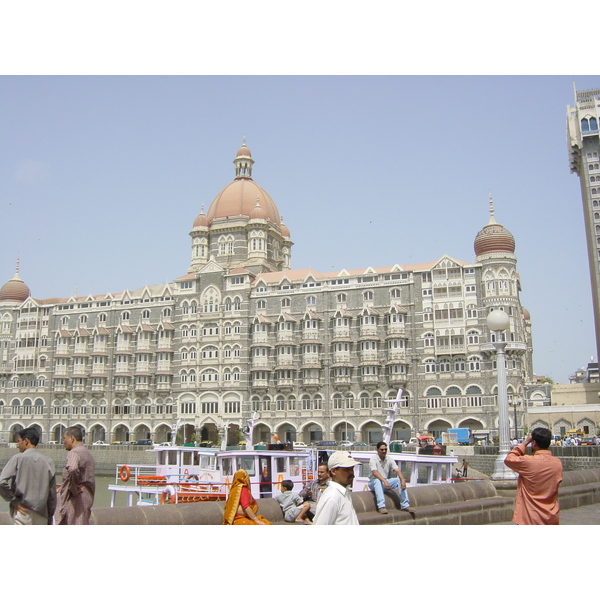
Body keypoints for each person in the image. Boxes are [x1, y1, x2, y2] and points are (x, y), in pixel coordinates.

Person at [504, 427, 563, 525]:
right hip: (550, 515)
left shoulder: (528, 462)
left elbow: (509, 459)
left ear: (534, 443)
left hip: (530, 516)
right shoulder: (557, 463)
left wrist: (525, 442)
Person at [0, 427, 56, 525]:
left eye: (18, 441)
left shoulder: (17, 459)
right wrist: (49, 515)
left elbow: (1, 482)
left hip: (23, 510)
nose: (18, 445)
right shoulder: (48, 461)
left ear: (26, 441)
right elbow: (52, 493)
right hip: (42, 513)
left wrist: (14, 501)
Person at [55, 426, 96, 525]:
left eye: (64, 438)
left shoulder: (74, 453)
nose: (63, 442)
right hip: (86, 497)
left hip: (75, 501)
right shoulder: (86, 452)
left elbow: (72, 469)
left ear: (71, 438)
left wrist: (72, 489)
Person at [313, 451, 360, 525]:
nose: (351, 472)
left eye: (352, 468)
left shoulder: (343, 494)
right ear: (333, 471)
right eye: (347, 469)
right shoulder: (332, 497)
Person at [368, 441, 412, 514]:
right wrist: (385, 481)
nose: (384, 451)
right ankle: (381, 506)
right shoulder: (373, 459)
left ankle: (405, 505)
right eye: (382, 450)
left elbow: (397, 470)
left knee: (399, 480)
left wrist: (403, 481)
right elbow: (374, 472)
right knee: (377, 481)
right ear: (377, 450)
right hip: (373, 482)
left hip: (384, 482)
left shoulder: (389, 459)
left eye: (385, 449)